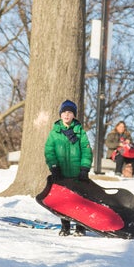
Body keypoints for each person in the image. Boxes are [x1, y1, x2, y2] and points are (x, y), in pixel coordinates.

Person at [44, 99, 93, 236]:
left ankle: (80, 227)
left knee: (79, 200)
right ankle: (65, 227)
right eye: (64, 112)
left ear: (74, 115)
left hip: (77, 173)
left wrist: (84, 168)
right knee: (63, 201)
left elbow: (86, 150)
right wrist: (54, 167)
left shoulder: (80, 132)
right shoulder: (54, 133)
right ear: (60, 114)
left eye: (70, 112)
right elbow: (49, 151)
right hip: (61, 173)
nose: (66, 115)